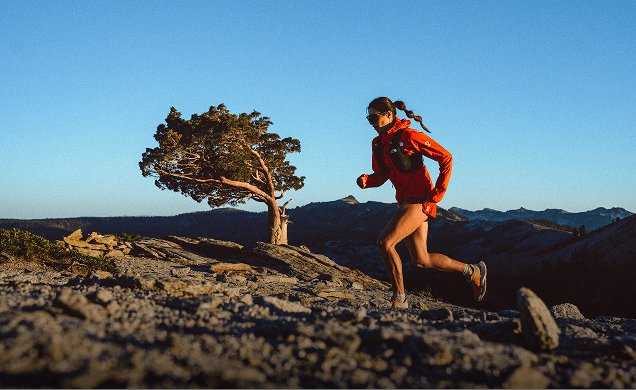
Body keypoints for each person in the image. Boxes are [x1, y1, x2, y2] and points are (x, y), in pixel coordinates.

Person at [356, 97, 486, 309]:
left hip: (421, 199)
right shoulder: (378, 144)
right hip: (405, 200)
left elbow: (446, 157)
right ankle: (473, 271)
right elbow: (382, 175)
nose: (370, 121)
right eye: (368, 118)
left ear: (389, 115)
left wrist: (439, 191)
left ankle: (399, 299)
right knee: (421, 259)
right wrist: (367, 181)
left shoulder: (409, 136)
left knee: (385, 243)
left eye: (373, 116)